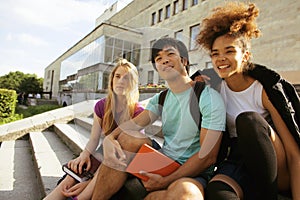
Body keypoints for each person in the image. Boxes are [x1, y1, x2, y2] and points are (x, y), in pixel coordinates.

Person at [86, 37, 226, 200]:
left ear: (184, 60)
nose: (164, 60)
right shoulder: (161, 98)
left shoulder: (208, 97)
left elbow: (208, 156)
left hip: (191, 172)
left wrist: (165, 181)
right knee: (129, 137)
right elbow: (132, 125)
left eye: (170, 54)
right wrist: (110, 138)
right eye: (158, 58)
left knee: (186, 195)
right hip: (162, 162)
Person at [194, 2, 300, 199]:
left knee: (248, 120)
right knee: (217, 193)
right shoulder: (214, 88)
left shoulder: (263, 89)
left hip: (275, 164)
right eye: (215, 53)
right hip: (237, 160)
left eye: (229, 51)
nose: (221, 59)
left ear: (246, 55)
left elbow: (294, 152)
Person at [43, 58, 144, 200]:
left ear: (133, 83)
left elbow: (128, 151)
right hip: (104, 153)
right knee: (69, 179)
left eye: (126, 78)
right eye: (118, 76)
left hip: (123, 160)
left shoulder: (138, 112)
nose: (121, 81)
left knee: (85, 186)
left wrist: (91, 182)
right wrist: (84, 155)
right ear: (112, 80)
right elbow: (94, 139)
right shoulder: (102, 106)